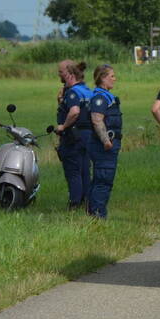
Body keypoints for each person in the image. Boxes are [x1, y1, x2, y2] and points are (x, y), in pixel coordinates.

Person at [55, 59, 92, 211]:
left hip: (73, 136)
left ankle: (75, 203)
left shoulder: (73, 93)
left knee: (73, 170)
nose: (59, 75)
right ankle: (86, 200)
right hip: (88, 136)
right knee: (84, 169)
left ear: (70, 74)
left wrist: (63, 126)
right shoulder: (88, 90)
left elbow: (75, 111)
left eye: (61, 72)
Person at [86, 64, 122, 219]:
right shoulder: (100, 98)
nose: (115, 79)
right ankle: (98, 215)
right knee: (103, 179)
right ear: (102, 78)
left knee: (102, 179)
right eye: (112, 76)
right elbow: (97, 120)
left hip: (107, 145)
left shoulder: (106, 96)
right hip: (104, 146)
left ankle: (93, 212)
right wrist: (106, 141)